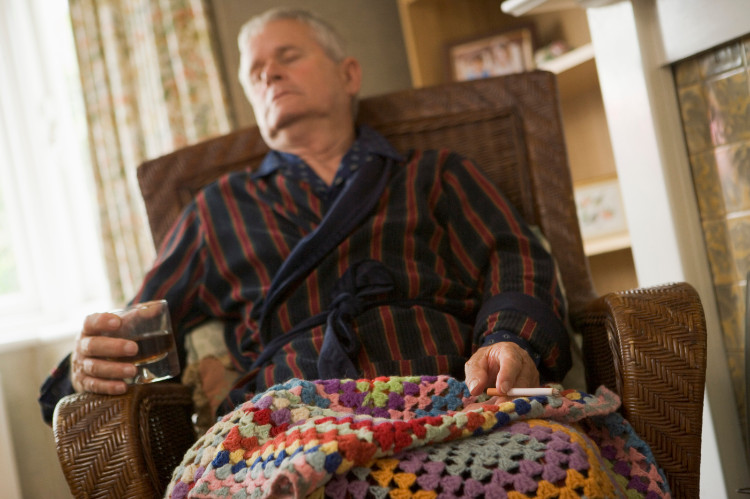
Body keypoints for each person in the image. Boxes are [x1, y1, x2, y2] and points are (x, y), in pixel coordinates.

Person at [38, 7, 572, 425]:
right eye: (255, 72)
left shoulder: (436, 174)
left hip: (450, 398)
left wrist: (511, 341)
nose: (268, 72)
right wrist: (85, 368)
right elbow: (138, 332)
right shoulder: (216, 210)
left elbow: (516, 262)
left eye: (287, 56)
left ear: (348, 74)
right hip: (288, 423)